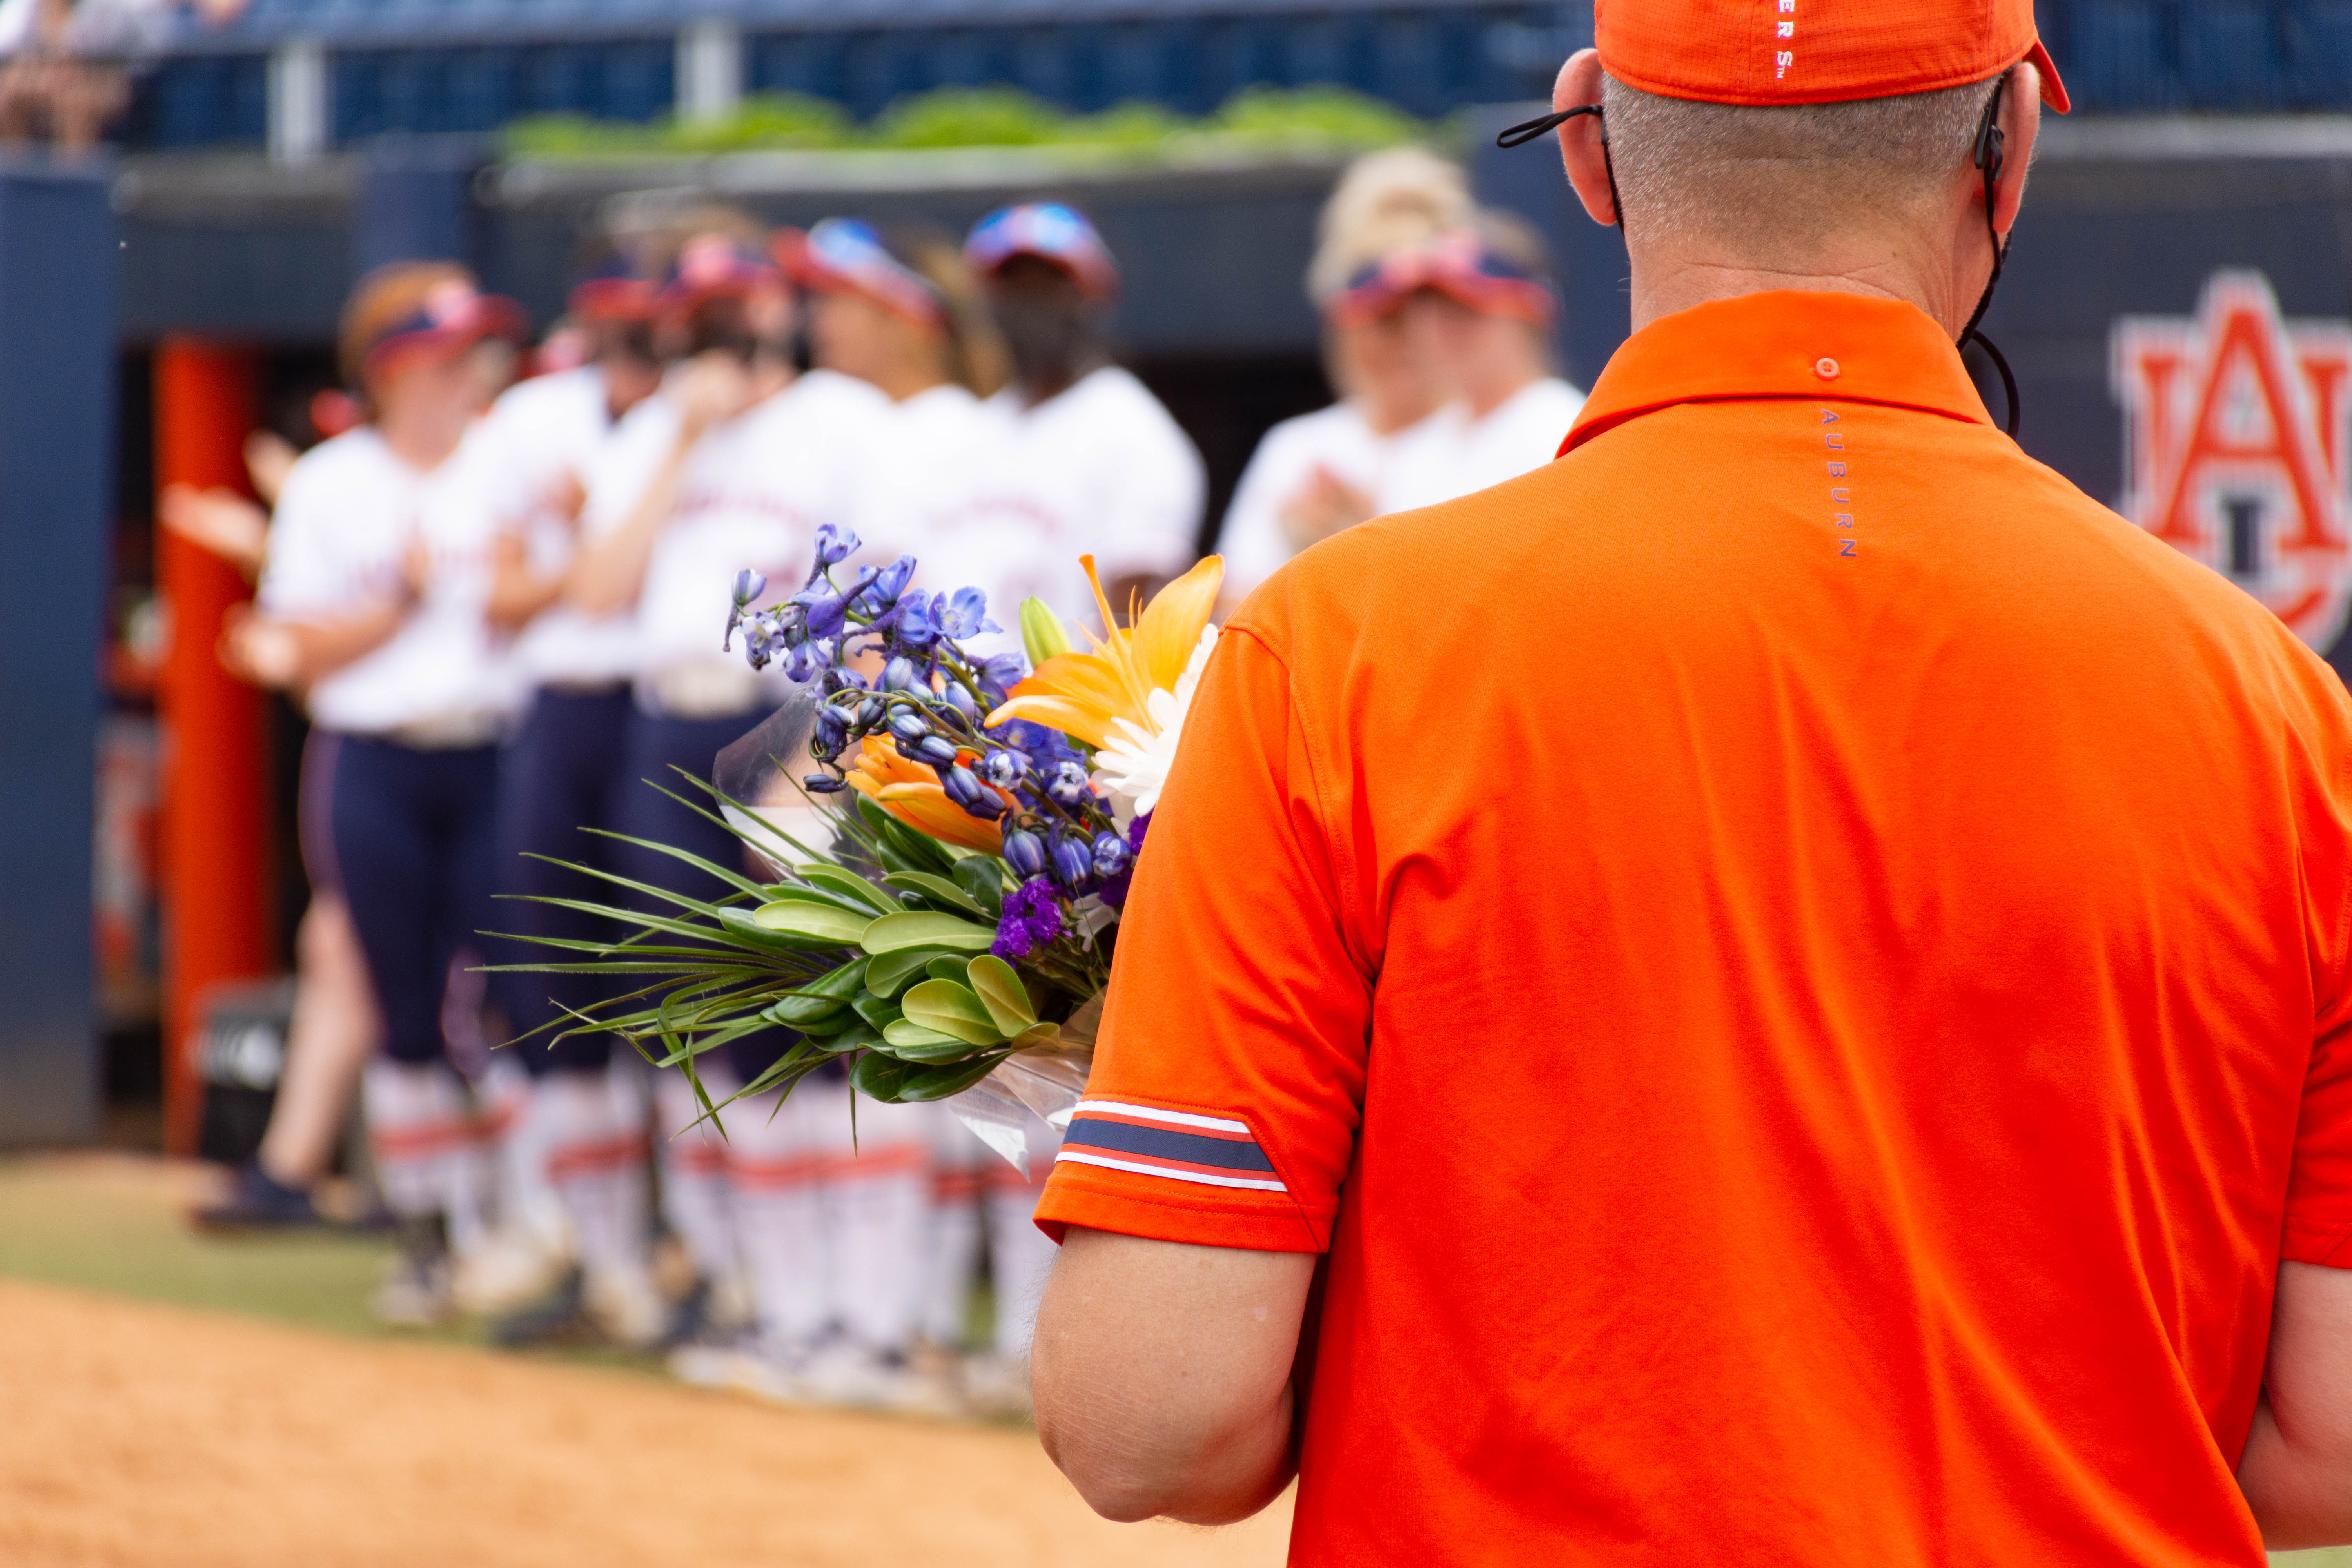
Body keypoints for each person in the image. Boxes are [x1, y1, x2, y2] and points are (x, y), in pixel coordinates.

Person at [1031, 7, 2352, 1561]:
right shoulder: (2278, 709)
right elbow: (2328, 1449)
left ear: (1586, 143)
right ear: (2014, 142)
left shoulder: (1336, 653)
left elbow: (1152, 1422)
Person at [561, 223, 907, 1397]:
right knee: (713, 1018)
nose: (718, 332)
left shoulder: (843, 418)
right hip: (666, 723)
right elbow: (599, 585)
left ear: (777, 314)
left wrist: (817, 753)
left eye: (736, 309)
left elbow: (875, 604)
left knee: (825, 1017)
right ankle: (783, 1313)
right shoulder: (660, 427)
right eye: (696, 314)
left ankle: (861, 1327)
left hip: (787, 729)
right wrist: (687, 433)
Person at [254, 263, 530, 1325]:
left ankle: (516, 1230)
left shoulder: (505, 468)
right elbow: (297, 649)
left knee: (503, 1001)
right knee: (399, 1006)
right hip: (373, 756)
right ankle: (430, 1236)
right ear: (398, 368)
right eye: (454, 354)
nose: (474, 374)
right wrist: (398, 605)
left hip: (488, 748)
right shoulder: (335, 480)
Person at [474, 249, 671, 1348]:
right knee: (556, 988)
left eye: (643, 318)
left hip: (659, 711)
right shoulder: (537, 417)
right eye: (609, 319)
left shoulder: (698, 423)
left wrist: (599, 531)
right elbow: (503, 595)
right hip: (560, 706)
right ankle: (608, 1267)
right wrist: (591, 549)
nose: (625, 338)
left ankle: (701, 1265)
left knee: (676, 988)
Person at [163, 426, 387, 1232]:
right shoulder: (345, 499)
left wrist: (268, 533)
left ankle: (427, 1190)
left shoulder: (457, 489)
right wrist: (269, 543)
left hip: (461, 753)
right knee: (339, 944)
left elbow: (374, 611)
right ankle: (301, 1169)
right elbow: (316, 623)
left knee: (389, 959)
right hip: (380, 752)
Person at [921, 203, 1205, 632]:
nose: (1029, 304)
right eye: (1012, 285)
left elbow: (1138, 628)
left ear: (1093, 298)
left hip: (1059, 696)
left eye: (1049, 285)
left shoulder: (1132, 430)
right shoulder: (966, 429)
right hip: (945, 694)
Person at [1216, 147, 1468, 604]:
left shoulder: (1508, 431)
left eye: (1424, 307)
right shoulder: (1296, 447)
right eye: (1381, 315)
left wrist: (1356, 554)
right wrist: (1306, 566)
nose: (1405, 337)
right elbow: (1232, 621)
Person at [1372, 211, 1587, 514]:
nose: (1444, 326)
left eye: (1466, 304)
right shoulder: (1414, 450)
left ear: (1529, 310)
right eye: (1429, 305)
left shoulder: (1563, 431)